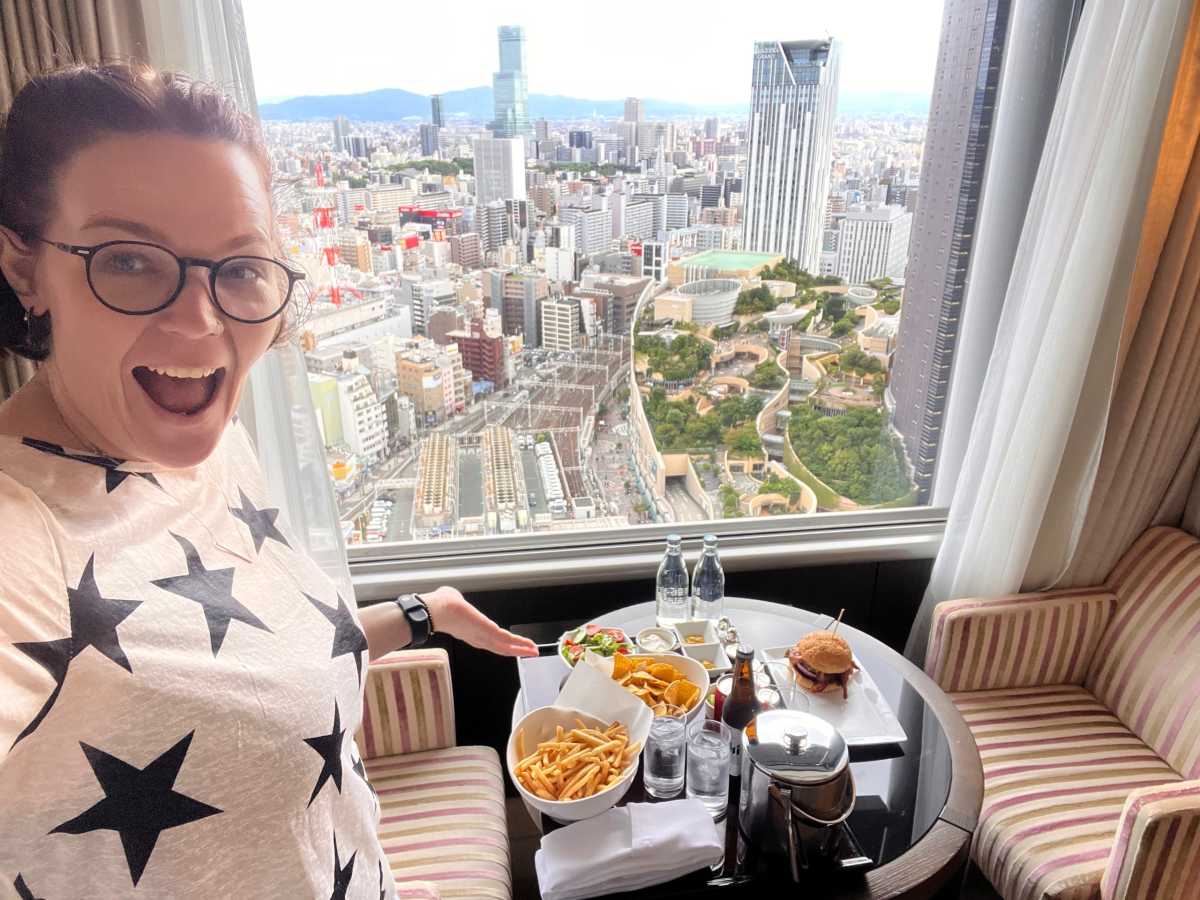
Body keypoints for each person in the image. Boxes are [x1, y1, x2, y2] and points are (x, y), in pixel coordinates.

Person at [0, 63, 537, 898]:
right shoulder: (22, 532)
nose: (199, 320)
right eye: (129, 261)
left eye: (240, 268)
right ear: (25, 267)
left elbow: (219, 663)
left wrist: (419, 612)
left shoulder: (210, 445)